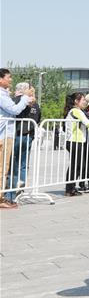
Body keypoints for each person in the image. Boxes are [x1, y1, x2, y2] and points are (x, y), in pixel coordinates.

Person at [0, 69, 33, 208]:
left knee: (4, 167)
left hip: (7, 134)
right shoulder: (1, 95)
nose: (11, 80)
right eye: (8, 77)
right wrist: (25, 97)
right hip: (3, 135)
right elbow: (14, 110)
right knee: (2, 167)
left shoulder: (5, 94)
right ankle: (1, 199)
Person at [64, 92, 89, 197]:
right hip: (74, 141)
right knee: (75, 166)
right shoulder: (76, 111)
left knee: (76, 165)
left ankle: (71, 187)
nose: (85, 102)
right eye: (83, 100)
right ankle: (70, 189)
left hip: (76, 141)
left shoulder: (77, 111)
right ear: (76, 101)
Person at [11, 81, 41, 195]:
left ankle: (13, 187)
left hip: (18, 134)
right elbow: (37, 120)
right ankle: (20, 187)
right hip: (27, 136)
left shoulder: (17, 101)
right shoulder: (35, 105)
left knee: (15, 162)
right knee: (23, 163)